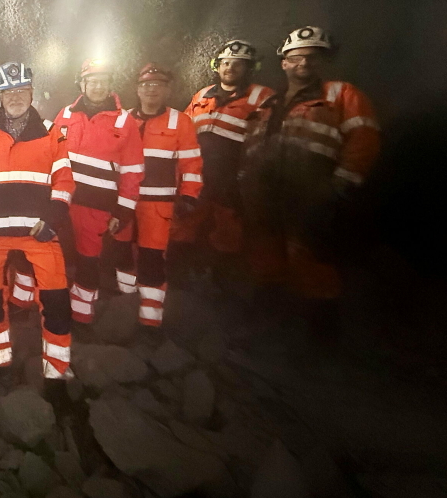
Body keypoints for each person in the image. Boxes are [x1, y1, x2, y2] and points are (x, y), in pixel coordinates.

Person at [240, 27, 380, 334]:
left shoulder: (341, 94)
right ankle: (270, 321)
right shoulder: (269, 105)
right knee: (267, 252)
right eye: (296, 58)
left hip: (313, 191)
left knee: (310, 255)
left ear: (322, 62)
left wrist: (341, 183)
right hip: (268, 191)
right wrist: (246, 184)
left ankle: (320, 330)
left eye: (311, 58)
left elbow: (364, 138)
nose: (303, 63)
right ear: (284, 63)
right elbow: (252, 148)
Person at [0, 61, 75, 389]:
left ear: (32, 93)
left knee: (56, 300)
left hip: (37, 231)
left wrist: (54, 219)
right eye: (9, 92)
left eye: (21, 91)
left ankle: (56, 371)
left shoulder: (52, 132)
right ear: (0, 96)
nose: (16, 97)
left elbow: (64, 180)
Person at [50, 59, 144, 324]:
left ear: (110, 85)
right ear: (82, 84)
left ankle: (82, 316)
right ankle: (51, 306)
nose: (98, 86)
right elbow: (51, 155)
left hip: (96, 204)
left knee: (88, 258)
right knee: (53, 251)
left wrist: (124, 208)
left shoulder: (124, 120)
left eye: (103, 81)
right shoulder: (65, 114)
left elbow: (133, 169)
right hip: (62, 199)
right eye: (92, 81)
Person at [171, 40, 274, 283]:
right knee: (184, 224)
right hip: (199, 173)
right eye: (225, 63)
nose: (230, 68)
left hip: (234, 177)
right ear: (216, 66)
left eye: (238, 64)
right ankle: (178, 275)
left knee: (229, 230)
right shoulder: (203, 95)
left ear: (249, 68)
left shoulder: (263, 97)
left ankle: (222, 281)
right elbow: (183, 131)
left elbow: (269, 141)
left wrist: (250, 179)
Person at [121, 64, 203, 328]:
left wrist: (189, 195)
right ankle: (124, 303)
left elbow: (191, 163)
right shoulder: (123, 119)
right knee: (122, 253)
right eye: (146, 85)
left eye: (157, 85)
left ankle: (150, 318)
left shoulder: (180, 121)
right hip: (124, 202)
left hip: (158, 205)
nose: (151, 90)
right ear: (137, 89)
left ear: (167, 89)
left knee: (152, 257)